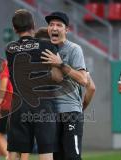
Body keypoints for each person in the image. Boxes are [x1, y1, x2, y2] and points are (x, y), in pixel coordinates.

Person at [6, 9, 59, 160]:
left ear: (15, 28)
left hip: (18, 106)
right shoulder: (47, 46)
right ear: (33, 25)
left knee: (14, 153)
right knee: (45, 152)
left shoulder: (9, 49)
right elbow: (57, 77)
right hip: (43, 105)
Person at [41, 11, 88, 160]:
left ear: (66, 30)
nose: (54, 28)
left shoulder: (74, 49)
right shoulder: (43, 50)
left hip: (70, 112)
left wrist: (60, 64)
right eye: (51, 24)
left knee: (72, 157)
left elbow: (84, 80)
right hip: (50, 114)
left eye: (59, 25)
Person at [0, 60, 13, 160]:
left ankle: (8, 157)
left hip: (8, 105)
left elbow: (3, 85)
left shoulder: (7, 63)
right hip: (23, 104)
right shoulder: (25, 61)